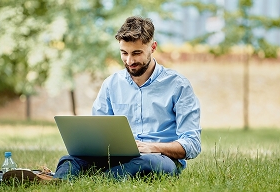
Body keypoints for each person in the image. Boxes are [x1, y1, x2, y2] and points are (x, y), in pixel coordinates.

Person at [53, 16, 201, 180]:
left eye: (137, 53)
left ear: (153, 47)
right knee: (69, 160)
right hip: (116, 158)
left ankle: (100, 180)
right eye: (124, 53)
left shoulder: (178, 85)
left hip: (160, 159)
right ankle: (58, 183)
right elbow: (98, 134)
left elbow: (192, 144)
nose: (130, 61)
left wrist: (152, 147)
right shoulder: (111, 84)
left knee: (145, 163)